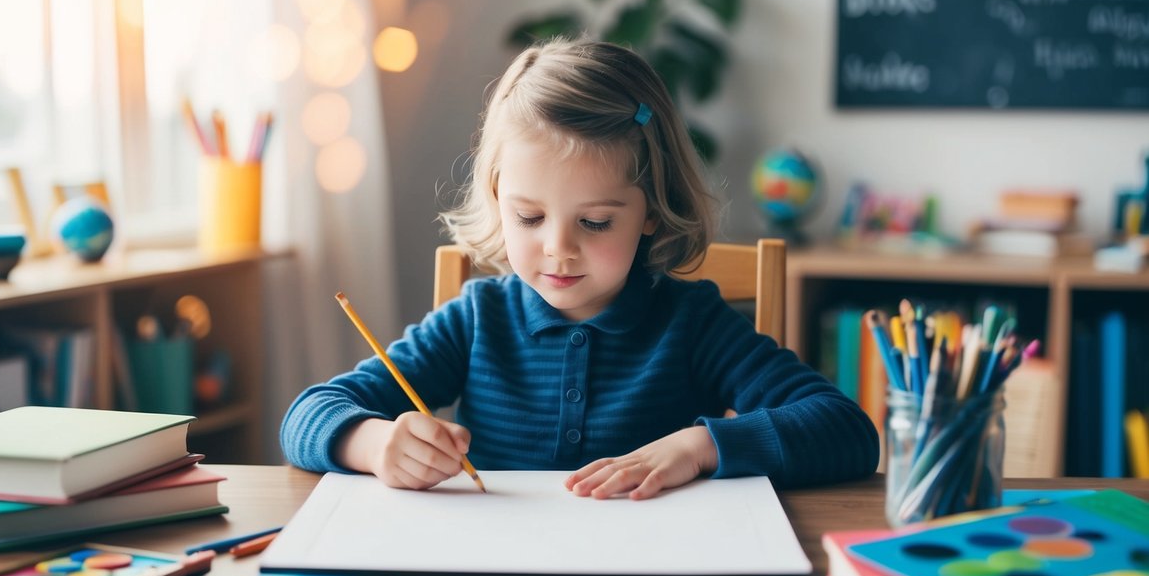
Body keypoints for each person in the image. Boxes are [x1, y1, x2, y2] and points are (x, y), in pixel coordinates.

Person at [281, 38, 878, 499]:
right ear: (497, 198)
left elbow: (847, 431)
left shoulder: (691, 323)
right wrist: (374, 441)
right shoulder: (475, 320)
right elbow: (304, 417)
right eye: (529, 217)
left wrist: (701, 447)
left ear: (649, 210)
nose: (557, 249)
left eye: (594, 223)